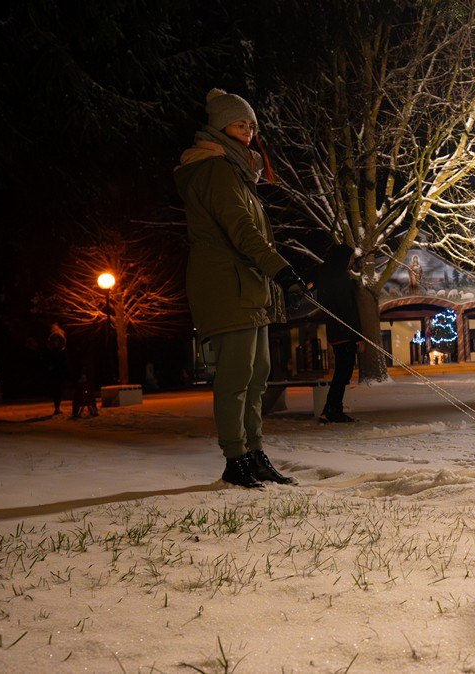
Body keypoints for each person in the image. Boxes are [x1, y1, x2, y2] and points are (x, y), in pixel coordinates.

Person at [173, 87, 303, 488]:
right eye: (239, 123)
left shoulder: (236, 171)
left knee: (257, 372)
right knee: (236, 376)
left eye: (251, 125)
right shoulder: (213, 169)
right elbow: (242, 230)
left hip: (247, 283)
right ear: (218, 126)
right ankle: (235, 458)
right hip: (225, 284)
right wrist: (281, 269)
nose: (247, 131)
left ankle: (254, 452)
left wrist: (270, 273)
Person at [309, 244, 364, 423]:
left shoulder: (326, 276)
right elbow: (348, 309)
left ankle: (332, 407)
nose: (351, 263)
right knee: (343, 372)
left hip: (337, 330)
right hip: (344, 332)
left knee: (342, 372)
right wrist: (357, 336)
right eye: (350, 259)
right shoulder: (340, 278)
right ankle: (333, 409)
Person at [42, 323, 68, 416]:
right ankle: (56, 407)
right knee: (55, 390)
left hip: (59, 373)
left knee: (59, 390)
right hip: (54, 374)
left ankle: (57, 406)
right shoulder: (52, 352)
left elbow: (64, 363)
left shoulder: (61, 352)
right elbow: (48, 362)